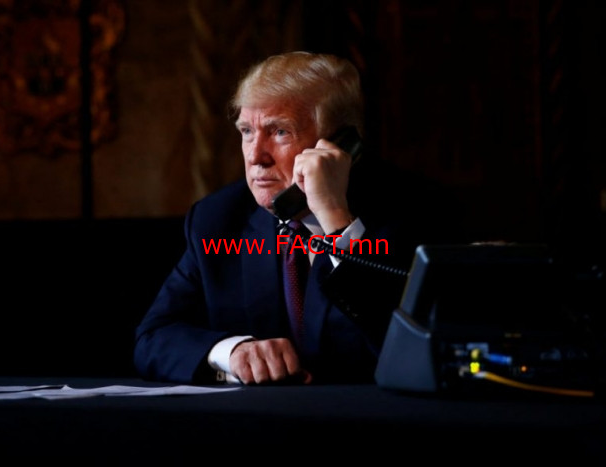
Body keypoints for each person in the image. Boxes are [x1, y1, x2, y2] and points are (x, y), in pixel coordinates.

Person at [134, 51, 460, 385]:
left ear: (340, 144)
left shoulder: (420, 210)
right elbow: (153, 338)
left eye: (279, 132)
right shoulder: (218, 219)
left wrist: (335, 217)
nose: (255, 156)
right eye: (246, 131)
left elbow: (413, 350)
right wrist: (232, 352)